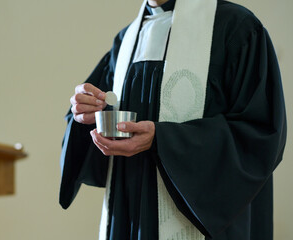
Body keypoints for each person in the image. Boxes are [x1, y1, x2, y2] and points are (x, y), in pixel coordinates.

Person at [59, 0, 287, 239]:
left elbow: (259, 134)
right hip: (129, 218)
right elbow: (96, 128)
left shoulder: (237, 29)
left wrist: (164, 139)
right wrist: (85, 111)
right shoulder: (125, 41)